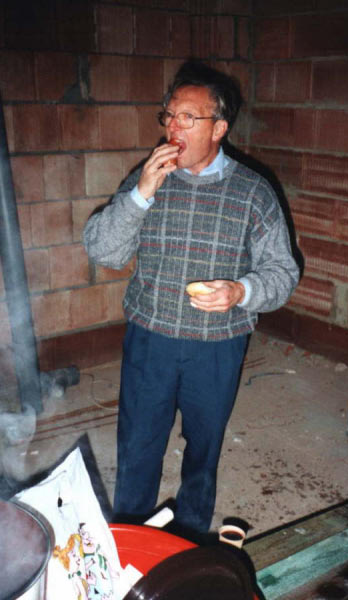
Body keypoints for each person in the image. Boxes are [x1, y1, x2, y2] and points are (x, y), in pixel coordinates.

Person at [83, 61, 299, 533]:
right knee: (138, 445)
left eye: (188, 117)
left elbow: (283, 273)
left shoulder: (253, 192)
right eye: (169, 116)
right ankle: (130, 535)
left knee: (204, 448)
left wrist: (242, 291)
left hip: (217, 345)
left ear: (219, 128)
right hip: (151, 338)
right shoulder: (148, 178)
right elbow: (103, 251)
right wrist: (140, 194)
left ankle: (190, 537)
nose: (173, 128)